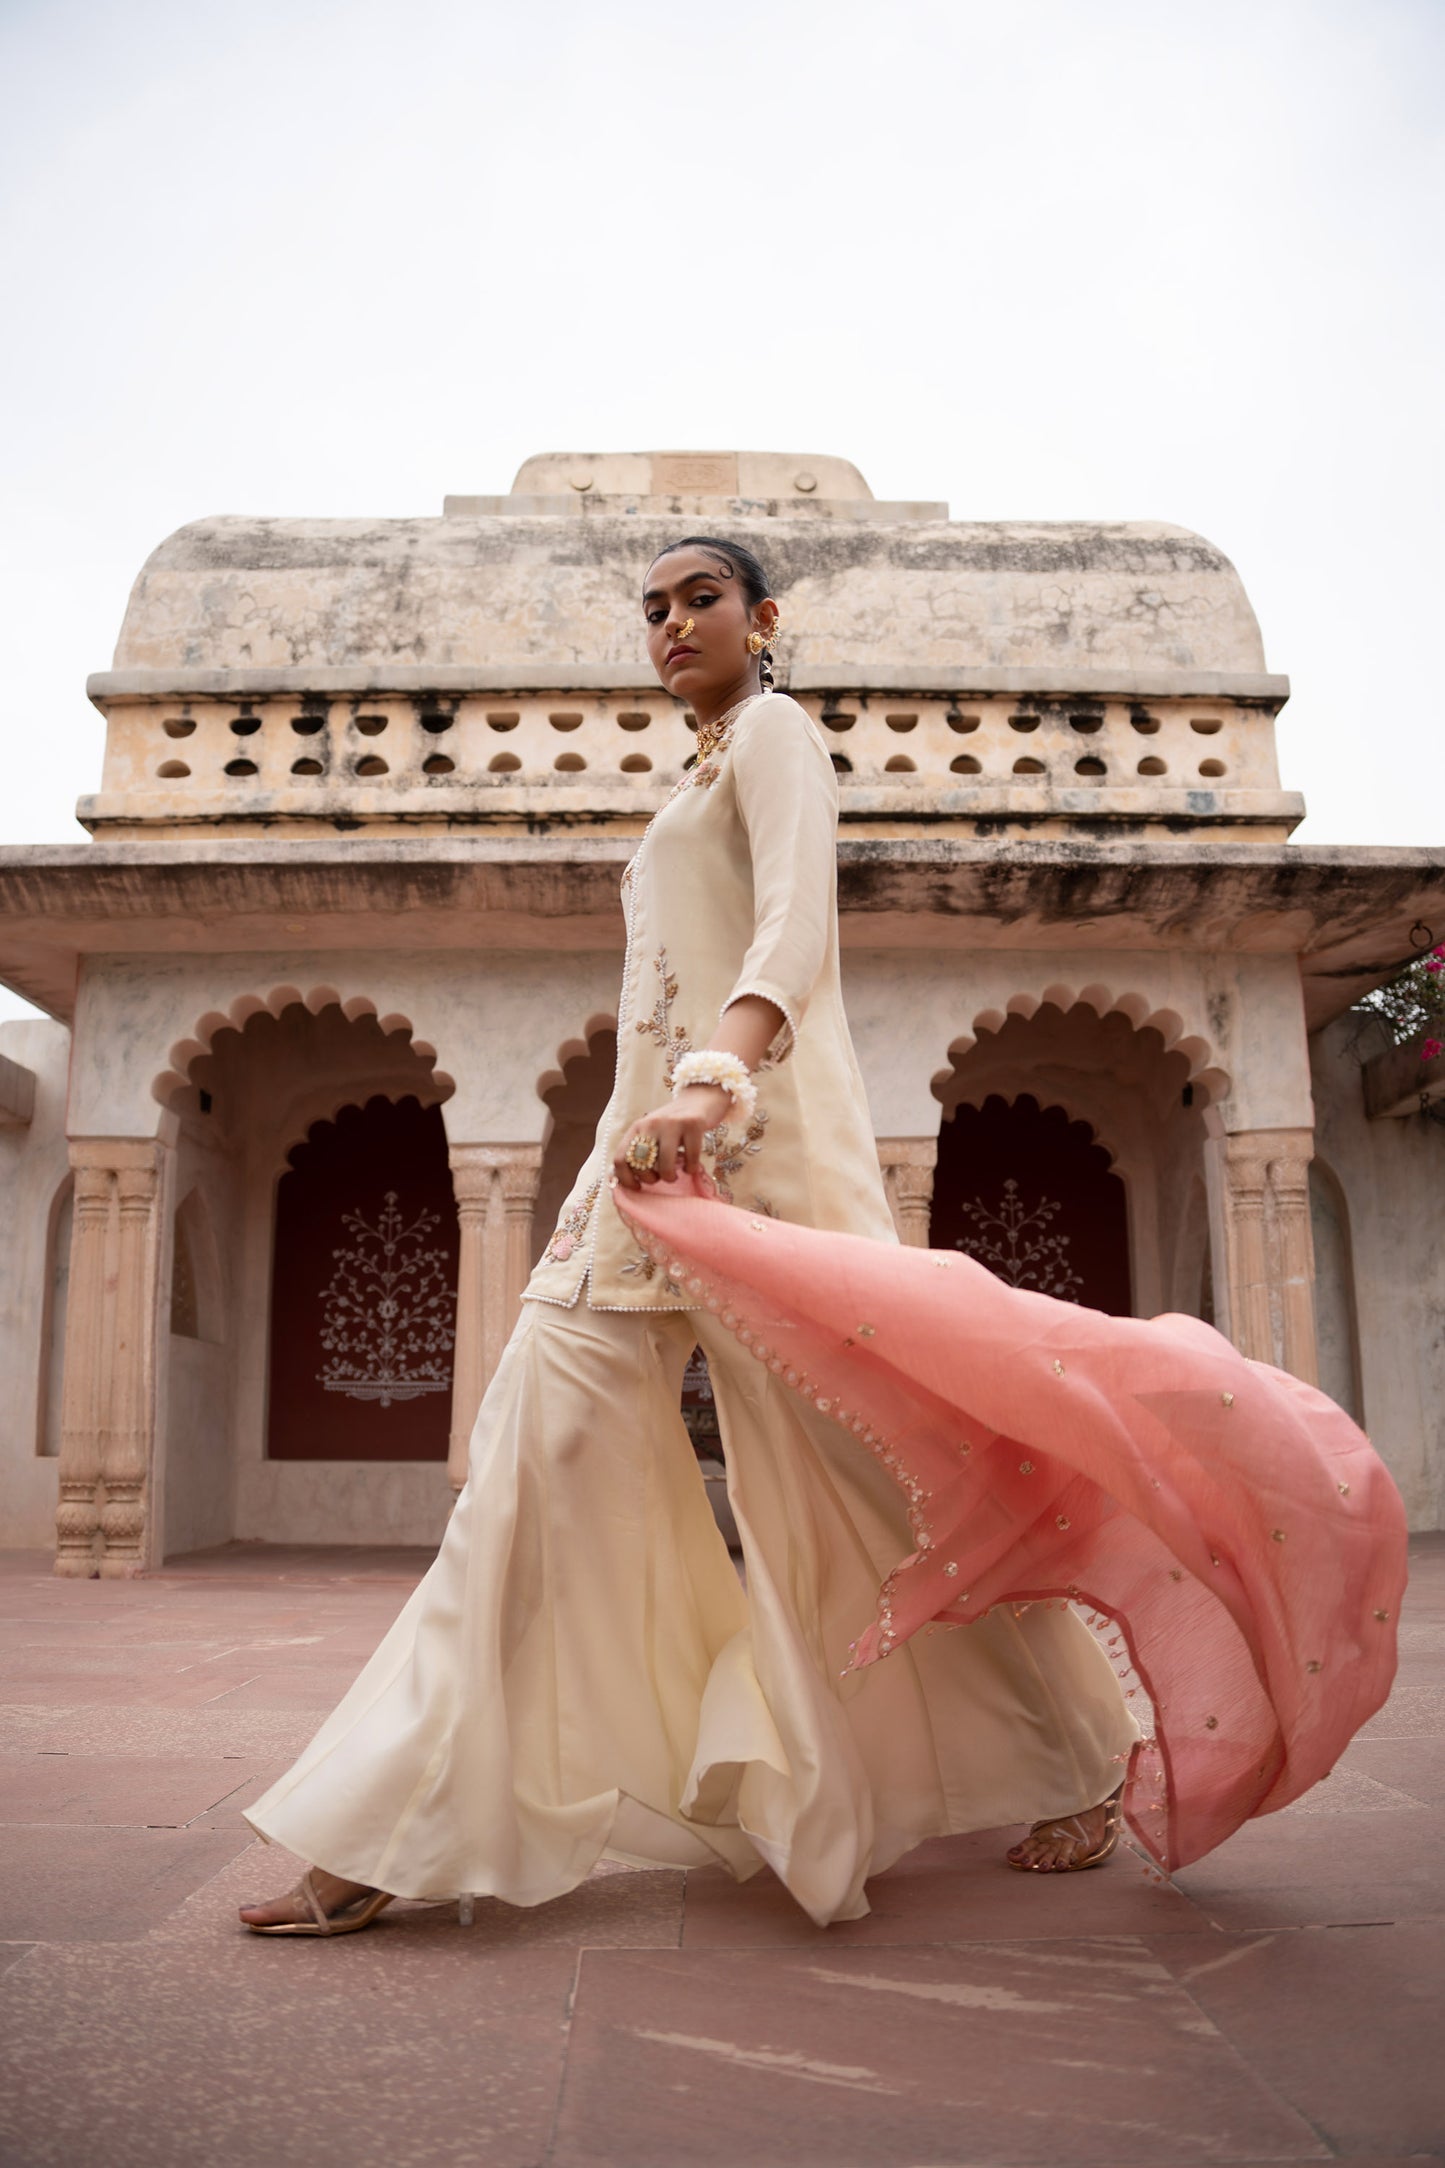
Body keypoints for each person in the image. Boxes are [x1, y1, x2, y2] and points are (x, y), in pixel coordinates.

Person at [239, 537, 1141, 1936]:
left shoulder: (777, 735)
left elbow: (794, 930)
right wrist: (648, 1120)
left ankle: (1082, 1760)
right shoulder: (694, 775)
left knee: (885, 1478)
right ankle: (394, 1831)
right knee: (524, 1467)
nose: (669, 624)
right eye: (650, 608)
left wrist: (711, 1083)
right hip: (641, 1172)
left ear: (765, 619)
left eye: (699, 599)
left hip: (756, 1159)